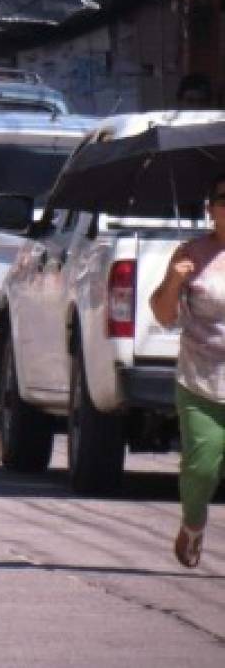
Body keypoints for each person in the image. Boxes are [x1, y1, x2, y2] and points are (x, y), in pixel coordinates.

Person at [149, 172, 225, 569]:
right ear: (211, 209)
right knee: (202, 466)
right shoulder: (190, 254)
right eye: (223, 200)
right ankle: (192, 526)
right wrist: (175, 282)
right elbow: (163, 315)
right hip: (201, 380)